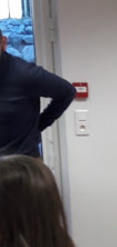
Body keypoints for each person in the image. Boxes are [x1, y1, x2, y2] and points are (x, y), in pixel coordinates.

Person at [0, 29, 76, 157]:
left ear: (3, 43)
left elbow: (67, 92)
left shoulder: (25, 74)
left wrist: (37, 127)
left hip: (22, 165)